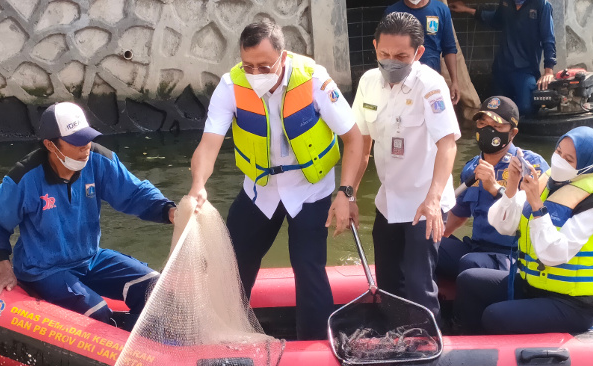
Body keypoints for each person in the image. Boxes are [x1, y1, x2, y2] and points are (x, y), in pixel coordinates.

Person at [188, 20, 362, 341]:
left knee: (308, 267)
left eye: (264, 66)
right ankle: (225, 335)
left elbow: (354, 138)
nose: (255, 74)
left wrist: (346, 193)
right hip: (260, 190)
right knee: (234, 264)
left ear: (283, 57)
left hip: (311, 188)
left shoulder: (314, 81)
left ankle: (314, 349)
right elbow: (208, 146)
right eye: (248, 65)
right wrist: (199, 185)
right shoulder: (231, 86)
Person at [0, 102, 176, 326]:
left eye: (87, 138)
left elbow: (134, 192)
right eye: (76, 141)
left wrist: (169, 210)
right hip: (44, 269)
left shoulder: (99, 160)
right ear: (50, 145)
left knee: (156, 291)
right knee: (98, 315)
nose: (85, 147)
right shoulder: (25, 178)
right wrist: (4, 266)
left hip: (90, 258)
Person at [454, 126, 593, 334]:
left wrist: (536, 204)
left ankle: (486, 353)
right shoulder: (549, 180)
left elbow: (553, 254)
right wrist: (512, 186)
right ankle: (462, 342)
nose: (559, 160)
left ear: (588, 165)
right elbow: (504, 225)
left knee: (495, 315)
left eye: (569, 159)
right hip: (533, 285)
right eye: (558, 152)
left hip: (572, 304)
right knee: (469, 280)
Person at [352, 11, 460, 324]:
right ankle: (396, 335)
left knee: (418, 282)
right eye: (384, 54)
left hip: (424, 201)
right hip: (389, 199)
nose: (391, 62)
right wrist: (349, 193)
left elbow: (447, 144)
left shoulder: (430, 85)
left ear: (418, 53)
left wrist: (434, 199)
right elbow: (361, 143)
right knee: (387, 280)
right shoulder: (369, 83)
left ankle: (428, 343)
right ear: (375, 47)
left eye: (401, 56)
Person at [438, 95, 547, 279]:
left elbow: (532, 212)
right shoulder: (472, 167)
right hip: (476, 248)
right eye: (482, 123)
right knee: (426, 243)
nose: (488, 130)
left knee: (470, 263)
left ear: (512, 133)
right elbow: (459, 214)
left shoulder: (530, 165)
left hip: (510, 256)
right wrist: (437, 233)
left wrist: (496, 189)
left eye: (496, 126)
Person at [449, 0, 556, 116]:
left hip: (525, 70)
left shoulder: (542, 5)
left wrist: (548, 71)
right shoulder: (506, 3)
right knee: (497, 111)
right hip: (501, 70)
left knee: (526, 109)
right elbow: (495, 20)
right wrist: (467, 9)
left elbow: (548, 39)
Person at [384, 0, 460, 104]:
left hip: (431, 80)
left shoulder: (441, 9)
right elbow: (386, 49)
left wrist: (454, 81)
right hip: (402, 80)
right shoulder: (392, 12)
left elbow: (449, 48)